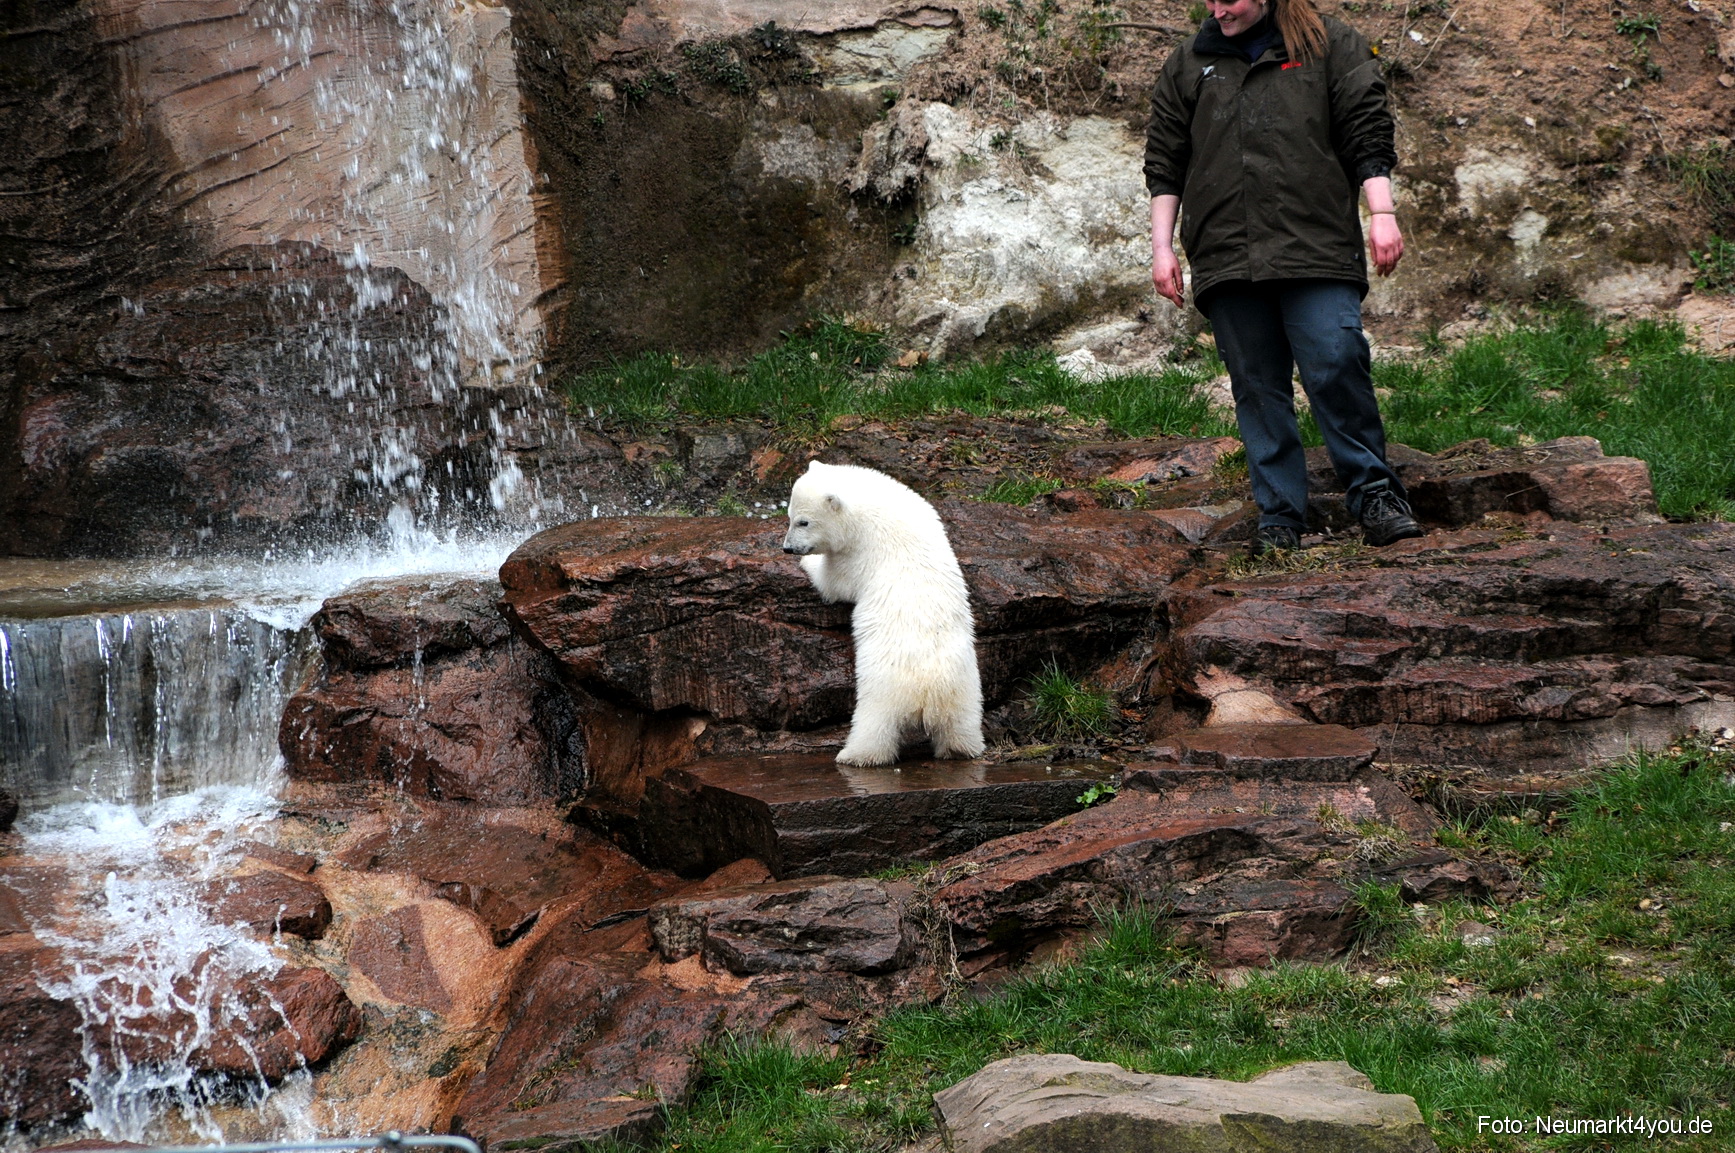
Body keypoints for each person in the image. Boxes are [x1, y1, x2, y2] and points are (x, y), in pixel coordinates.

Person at [1144, 0, 1423, 553]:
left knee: (1336, 359)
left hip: (1315, 245)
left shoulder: (1330, 46)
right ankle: (1279, 517)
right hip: (1226, 253)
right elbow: (1165, 161)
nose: (1218, 8)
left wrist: (1382, 214)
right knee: (1256, 385)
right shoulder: (1187, 64)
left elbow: (1367, 130)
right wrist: (1161, 248)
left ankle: (1375, 495)